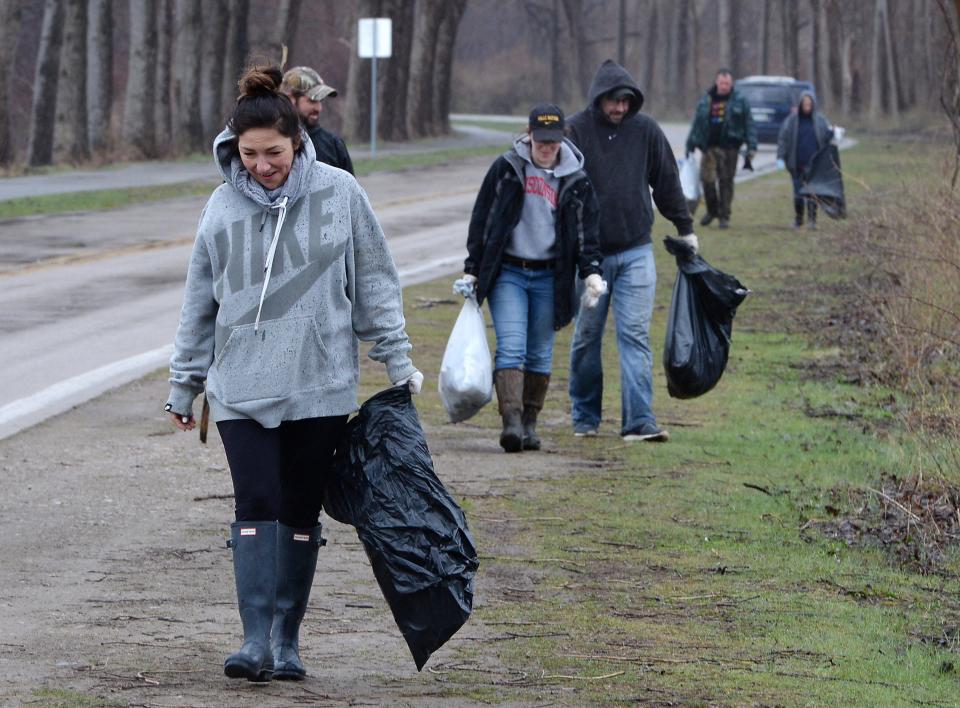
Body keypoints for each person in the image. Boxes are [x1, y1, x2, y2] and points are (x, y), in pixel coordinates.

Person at [165, 65, 422, 683]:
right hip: (240, 386)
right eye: (248, 154)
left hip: (320, 382)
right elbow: (200, 301)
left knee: (301, 508)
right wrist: (185, 382)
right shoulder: (221, 207)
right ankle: (253, 639)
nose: (261, 164)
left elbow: (377, 283)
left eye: (272, 152)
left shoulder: (340, 194)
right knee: (256, 499)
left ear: (296, 143)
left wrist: (398, 358)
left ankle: (287, 639)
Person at [455, 103, 603, 453]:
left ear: (562, 139)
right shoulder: (507, 169)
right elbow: (484, 219)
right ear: (529, 135)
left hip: (551, 277)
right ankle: (512, 422)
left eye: (552, 141)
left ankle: (531, 423)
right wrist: (473, 267)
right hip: (509, 272)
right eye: (540, 140)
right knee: (511, 344)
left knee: (539, 352)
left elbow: (586, 232)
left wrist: (591, 271)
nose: (546, 148)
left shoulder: (576, 180)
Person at [565, 60, 699, 442]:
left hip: (636, 251)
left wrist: (685, 229)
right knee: (587, 337)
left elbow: (667, 183)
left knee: (635, 335)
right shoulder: (577, 131)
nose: (620, 108)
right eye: (613, 101)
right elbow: (560, 189)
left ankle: (639, 421)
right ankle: (585, 416)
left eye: (626, 101)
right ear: (598, 99)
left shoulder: (646, 131)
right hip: (590, 258)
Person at [685, 68, 757, 229]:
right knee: (707, 180)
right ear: (717, 82)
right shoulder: (706, 99)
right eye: (722, 82)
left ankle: (724, 216)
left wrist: (752, 146)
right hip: (709, 147)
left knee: (726, 182)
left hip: (730, 148)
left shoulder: (740, 100)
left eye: (727, 83)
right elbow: (697, 123)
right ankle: (712, 210)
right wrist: (690, 143)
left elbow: (749, 124)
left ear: (731, 84)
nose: (724, 85)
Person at [280, 65, 354, 175]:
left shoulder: (333, 144)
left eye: (321, 100)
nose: (319, 108)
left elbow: (350, 189)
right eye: (312, 100)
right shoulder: (274, 143)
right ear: (291, 100)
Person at [776, 92, 834, 230]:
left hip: (814, 165)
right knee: (798, 193)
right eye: (804, 103)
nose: (807, 106)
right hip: (796, 164)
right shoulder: (791, 121)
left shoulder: (820, 120)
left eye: (809, 104)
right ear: (800, 104)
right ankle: (798, 220)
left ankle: (812, 221)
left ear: (813, 104)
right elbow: (783, 139)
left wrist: (831, 134)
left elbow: (825, 139)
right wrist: (780, 157)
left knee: (813, 193)